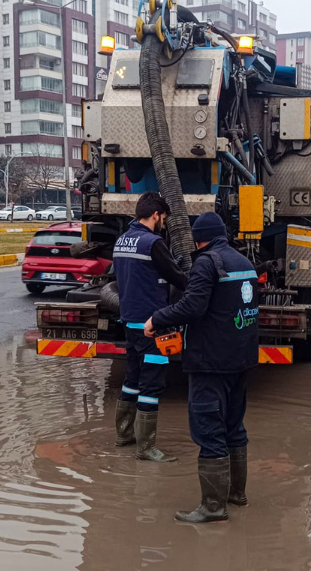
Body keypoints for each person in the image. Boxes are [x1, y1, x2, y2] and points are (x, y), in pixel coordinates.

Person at [145, 212, 258, 523]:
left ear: (198, 238)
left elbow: (193, 306)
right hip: (242, 359)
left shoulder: (207, 263)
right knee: (234, 426)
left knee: (208, 429)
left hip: (211, 362)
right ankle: (236, 494)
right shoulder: (244, 263)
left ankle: (212, 507)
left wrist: (158, 319)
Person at [112, 192, 187, 462]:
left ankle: (124, 435)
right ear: (156, 215)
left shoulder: (122, 241)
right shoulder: (153, 243)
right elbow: (176, 276)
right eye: (163, 218)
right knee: (152, 384)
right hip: (152, 326)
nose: (163, 223)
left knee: (132, 379)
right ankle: (146, 448)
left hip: (130, 323)